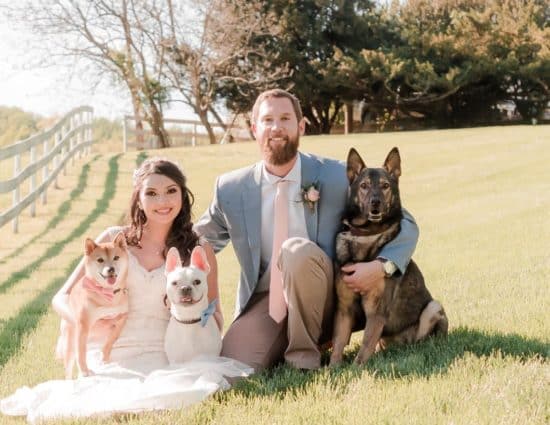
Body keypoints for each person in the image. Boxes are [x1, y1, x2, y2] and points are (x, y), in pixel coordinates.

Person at [1, 158, 251, 423]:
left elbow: (215, 314)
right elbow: (61, 297)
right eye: (151, 193)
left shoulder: (198, 248)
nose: (162, 201)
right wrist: (87, 320)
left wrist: (195, 323)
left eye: (171, 191)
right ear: (138, 198)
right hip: (114, 350)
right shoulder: (112, 239)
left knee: (189, 388)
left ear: (183, 195)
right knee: (103, 395)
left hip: (170, 351)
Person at [194, 89, 419, 372]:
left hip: (328, 299)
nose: (276, 127)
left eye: (285, 118)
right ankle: (280, 339)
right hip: (267, 302)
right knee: (232, 368)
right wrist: (135, 238)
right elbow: (197, 239)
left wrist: (382, 267)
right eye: (267, 120)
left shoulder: (337, 176)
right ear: (254, 128)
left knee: (295, 251)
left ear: (301, 126)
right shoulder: (231, 188)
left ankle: (303, 360)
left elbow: (405, 223)